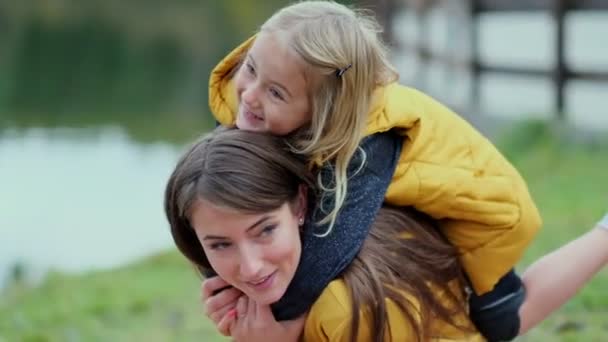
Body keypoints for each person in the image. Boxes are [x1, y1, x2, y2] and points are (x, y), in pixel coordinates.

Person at [207, 1, 541, 340]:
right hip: (431, 189)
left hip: (487, 209)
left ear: (324, 112)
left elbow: (337, 237)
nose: (249, 94)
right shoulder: (261, 96)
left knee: (498, 320)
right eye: (251, 68)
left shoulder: (371, 141)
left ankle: (514, 287)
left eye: (275, 92)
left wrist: (285, 318)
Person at [166, 128, 608, 341]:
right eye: (219, 244)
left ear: (300, 204)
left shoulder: (337, 310)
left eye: (264, 230)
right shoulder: (348, 217)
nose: (251, 266)